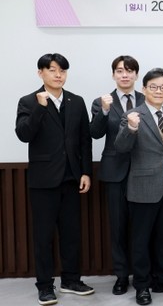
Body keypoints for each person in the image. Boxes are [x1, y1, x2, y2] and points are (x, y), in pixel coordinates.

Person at [15, 53, 95, 305]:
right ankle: (45, 286)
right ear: (41, 73)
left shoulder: (76, 101)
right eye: (52, 70)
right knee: (43, 236)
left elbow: (84, 139)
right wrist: (40, 108)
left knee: (71, 234)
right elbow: (24, 134)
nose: (58, 75)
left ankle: (71, 280)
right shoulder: (28, 101)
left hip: (72, 178)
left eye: (62, 70)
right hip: (43, 180)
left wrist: (86, 171)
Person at [114, 68, 163, 305]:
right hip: (143, 187)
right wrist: (131, 128)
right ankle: (142, 285)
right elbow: (121, 147)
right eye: (153, 87)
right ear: (144, 89)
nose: (158, 91)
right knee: (141, 240)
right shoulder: (132, 115)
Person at [89, 55, 144, 296]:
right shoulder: (102, 101)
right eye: (120, 70)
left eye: (129, 70)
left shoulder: (145, 99)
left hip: (142, 170)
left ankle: (143, 274)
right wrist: (104, 110)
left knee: (141, 226)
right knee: (118, 227)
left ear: (136, 75)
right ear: (113, 74)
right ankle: (121, 275)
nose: (125, 74)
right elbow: (95, 133)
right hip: (114, 173)